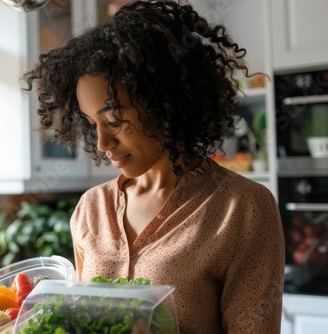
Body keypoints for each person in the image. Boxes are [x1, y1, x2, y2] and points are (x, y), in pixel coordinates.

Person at [23, 1, 285, 333]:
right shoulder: (91, 209)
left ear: (164, 103)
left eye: (115, 121)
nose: (102, 144)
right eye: (92, 123)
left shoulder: (242, 208)